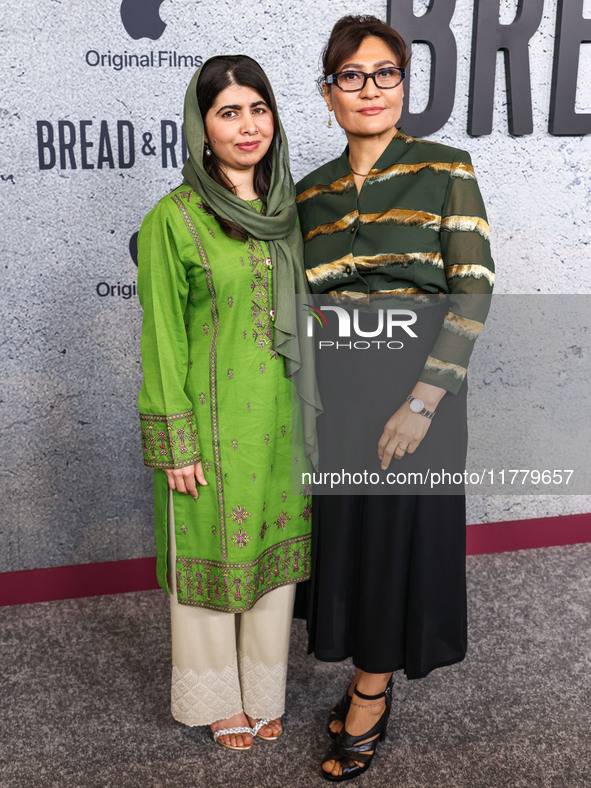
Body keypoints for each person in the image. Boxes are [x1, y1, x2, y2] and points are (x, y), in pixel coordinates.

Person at [296, 15, 495, 781]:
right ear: (327, 93)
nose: (369, 89)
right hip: (336, 396)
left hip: (418, 391)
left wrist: (421, 401)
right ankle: (360, 667)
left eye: (384, 73)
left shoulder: (445, 168)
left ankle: (371, 695)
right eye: (351, 76)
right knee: (348, 536)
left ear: (402, 86)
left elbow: (472, 292)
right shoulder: (308, 193)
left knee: (395, 542)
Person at [137, 55, 318, 751]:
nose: (247, 126)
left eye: (258, 108)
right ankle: (215, 697)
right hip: (209, 428)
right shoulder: (173, 221)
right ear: (201, 126)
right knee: (209, 561)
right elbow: (160, 339)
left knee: (271, 564)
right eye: (228, 112)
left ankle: (264, 690)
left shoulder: (289, 213)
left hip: (279, 422)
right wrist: (173, 441)